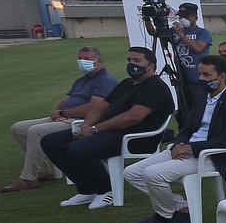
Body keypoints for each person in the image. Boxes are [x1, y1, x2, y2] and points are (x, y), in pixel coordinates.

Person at [123, 54, 226, 223]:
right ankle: (180, 207)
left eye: (206, 75)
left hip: (211, 156)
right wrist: (178, 145)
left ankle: (165, 215)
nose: (201, 79)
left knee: (152, 174)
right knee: (131, 172)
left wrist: (191, 147)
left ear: (221, 77)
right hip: (188, 149)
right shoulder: (201, 97)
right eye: (200, 75)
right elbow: (188, 128)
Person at [42, 46, 176, 210]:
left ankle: (106, 190)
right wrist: (85, 126)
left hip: (134, 138)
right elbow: (100, 108)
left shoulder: (155, 87)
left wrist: (94, 130)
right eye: (129, 60)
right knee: (51, 142)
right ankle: (87, 189)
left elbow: (133, 117)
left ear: (151, 66)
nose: (131, 64)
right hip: (107, 132)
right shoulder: (126, 83)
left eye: (137, 60)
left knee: (77, 148)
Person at [4, 45, 117, 192]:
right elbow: (67, 98)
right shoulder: (82, 80)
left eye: (86, 59)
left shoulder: (105, 81)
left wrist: (63, 113)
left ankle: (28, 178)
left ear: (98, 61)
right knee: (19, 128)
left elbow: (93, 108)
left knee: (35, 131)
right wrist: (56, 112)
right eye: (80, 59)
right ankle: (42, 171)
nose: (82, 62)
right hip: (66, 117)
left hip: (80, 121)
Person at [145, 2, 212, 79]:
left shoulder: (203, 32)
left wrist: (181, 34)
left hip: (198, 76)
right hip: (181, 75)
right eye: (180, 17)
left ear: (195, 18)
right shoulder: (173, 31)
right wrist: (147, 20)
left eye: (186, 17)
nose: (182, 19)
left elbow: (198, 48)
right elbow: (153, 33)